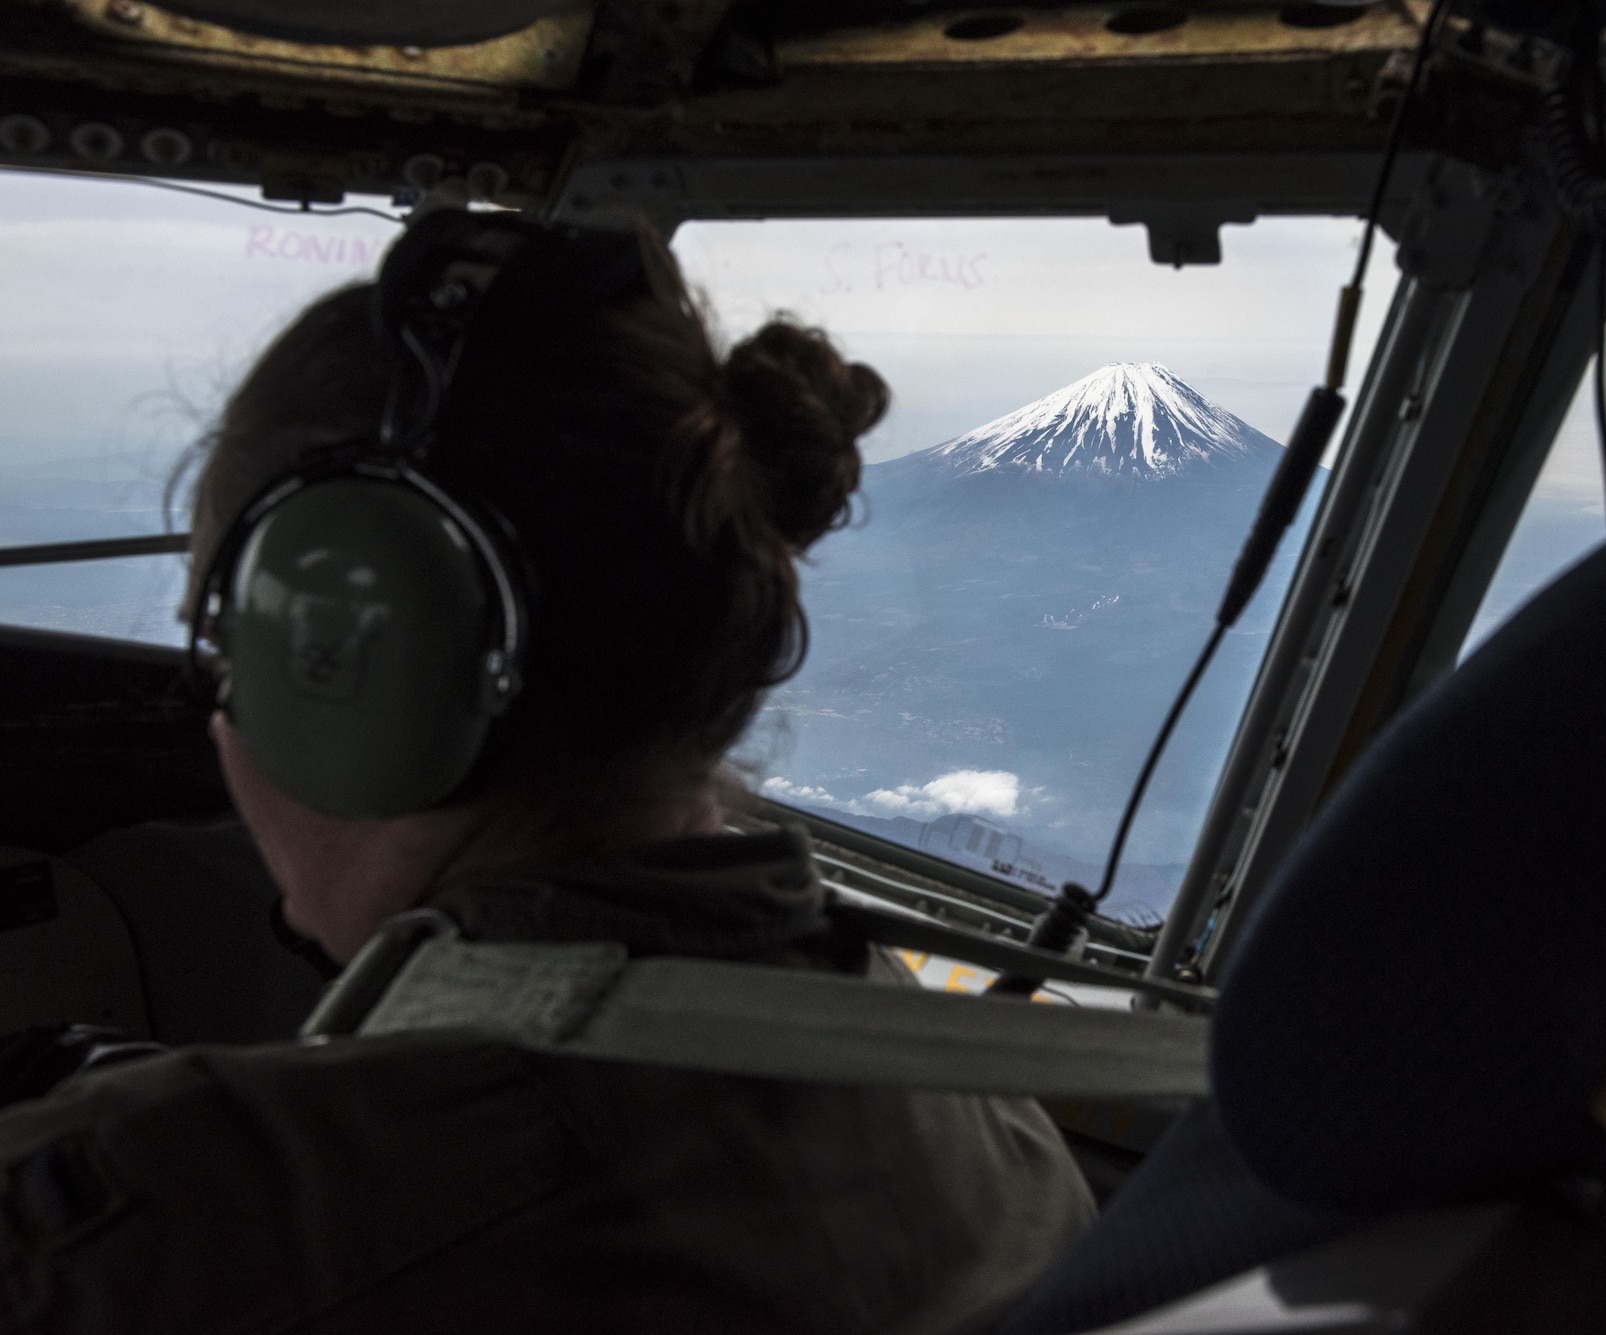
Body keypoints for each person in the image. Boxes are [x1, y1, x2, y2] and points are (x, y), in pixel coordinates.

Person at [0, 212, 1094, 1333]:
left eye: (231, 657)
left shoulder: (174, 1226)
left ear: (364, 675)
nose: (223, 730)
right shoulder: (968, 1095)